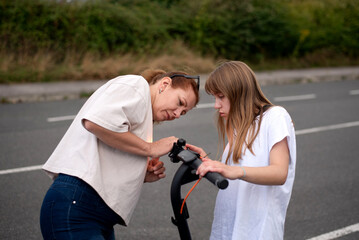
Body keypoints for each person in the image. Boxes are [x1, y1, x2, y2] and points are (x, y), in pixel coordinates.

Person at [40, 70, 200, 240]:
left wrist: (141, 174)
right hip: (78, 206)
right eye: (180, 102)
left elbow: (109, 147)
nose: (177, 114)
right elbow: (94, 122)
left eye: (183, 112)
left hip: (97, 215)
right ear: (164, 84)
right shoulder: (136, 86)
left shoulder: (144, 113)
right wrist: (150, 148)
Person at [186, 61, 296, 240]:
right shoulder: (238, 126)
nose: (216, 105)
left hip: (257, 230)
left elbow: (279, 172)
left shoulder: (275, 116)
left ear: (239, 92)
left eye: (221, 96)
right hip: (229, 225)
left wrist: (234, 170)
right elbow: (237, 176)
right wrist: (209, 162)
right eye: (215, 97)